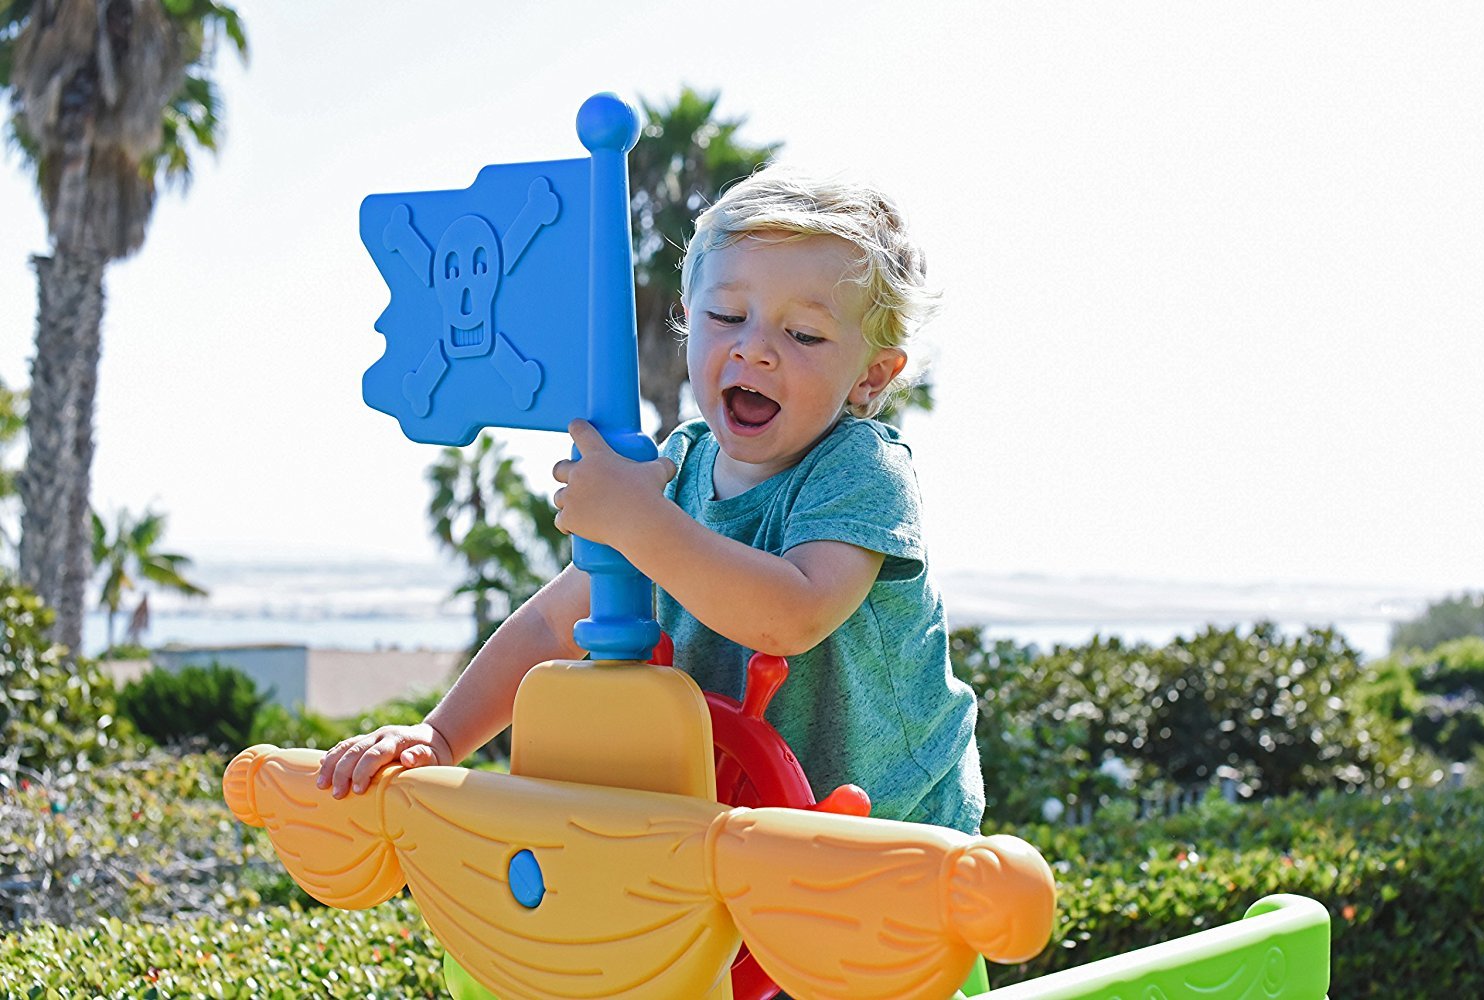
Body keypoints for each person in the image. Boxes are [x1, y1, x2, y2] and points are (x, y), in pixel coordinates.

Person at [318, 164, 984, 835]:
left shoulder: (861, 469)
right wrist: (438, 736)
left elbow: (792, 615)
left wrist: (642, 525)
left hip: (894, 833)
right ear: (689, 321)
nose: (755, 349)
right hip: (731, 829)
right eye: (727, 316)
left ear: (872, 374)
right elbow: (554, 625)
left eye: (803, 334)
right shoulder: (677, 465)